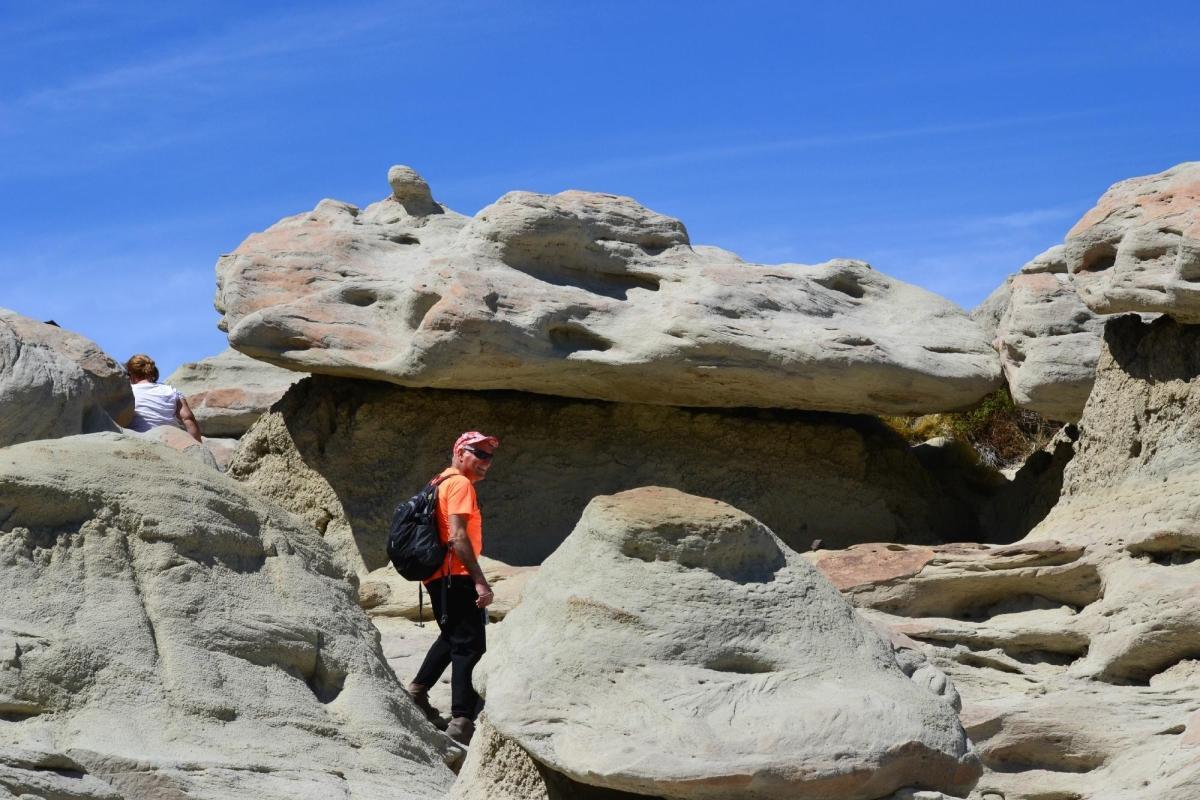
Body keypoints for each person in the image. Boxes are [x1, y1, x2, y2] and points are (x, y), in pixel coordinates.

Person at [408, 430, 499, 745]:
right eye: (480, 453)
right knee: (470, 645)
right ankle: (462, 720)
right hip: (456, 574)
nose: (487, 461)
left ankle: (417, 693)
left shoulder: (439, 481)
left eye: (490, 456)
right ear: (460, 452)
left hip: (439, 576)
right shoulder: (460, 484)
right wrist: (479, 579)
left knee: (453, 637)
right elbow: (458, 536)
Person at [124, 354, 202, 442]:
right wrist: (198, 446)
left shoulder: (128, 391)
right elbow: (187, 417)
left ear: (131, 374)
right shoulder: (170, 390)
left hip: (138, 440)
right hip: (169, 441)